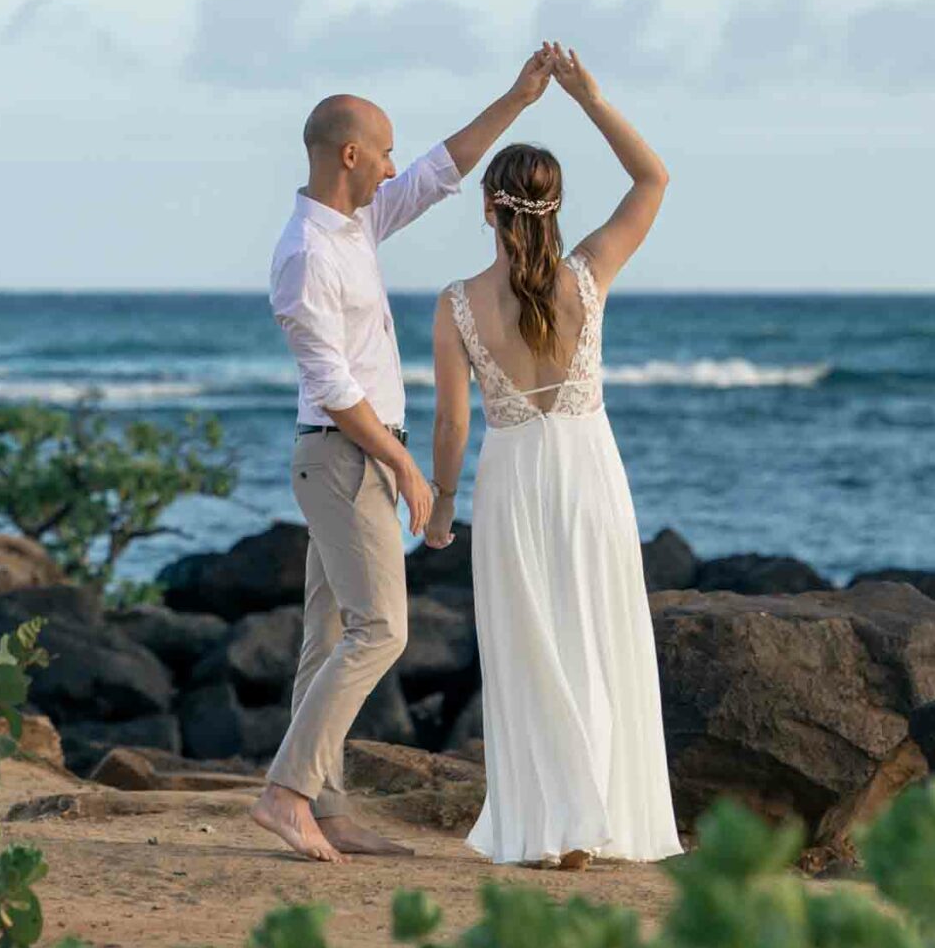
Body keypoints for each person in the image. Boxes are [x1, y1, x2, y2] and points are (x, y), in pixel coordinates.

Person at [247, 50, 556, 865]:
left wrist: (518, 98)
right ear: (349, 154)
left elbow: (440, 170)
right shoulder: (305, 253)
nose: (392, 166)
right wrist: (408, 466)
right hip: (343, 456)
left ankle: (328, 807)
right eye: (382, 152)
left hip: (353, 457)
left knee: (328, 637)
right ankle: (285, 792)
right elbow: (333, 389)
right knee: (382, 628)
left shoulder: (358, 223)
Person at [423, 42, 682, 869]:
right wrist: (589, 97)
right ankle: (592, 812)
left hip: (511, 478)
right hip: (588, 472)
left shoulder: (457, 303)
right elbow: (653, 179)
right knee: (595, 637)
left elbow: (453, 425)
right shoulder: (590, 273)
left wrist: (440, 504)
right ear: (557, 204)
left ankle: (553, 821)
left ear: (488, 209)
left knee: (528, 650)